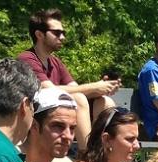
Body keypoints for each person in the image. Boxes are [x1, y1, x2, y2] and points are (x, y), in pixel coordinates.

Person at [19, 9, 118, 151]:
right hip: (37, 120)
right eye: (57, 33)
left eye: (63, 33)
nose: (63, 37)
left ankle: (107, 157)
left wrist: (101, 89)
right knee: (77, 98)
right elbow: (49, 91)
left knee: (104, 102)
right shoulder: (27, 59)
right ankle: (87, 158)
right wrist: (94, 87)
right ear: (39, 35)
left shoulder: (55, 62)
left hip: (61, 117)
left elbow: (76, 88)